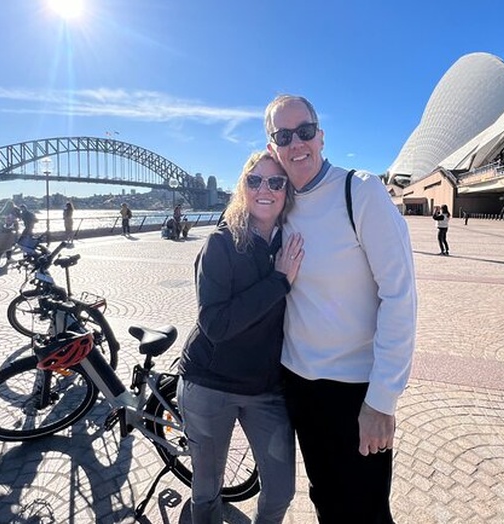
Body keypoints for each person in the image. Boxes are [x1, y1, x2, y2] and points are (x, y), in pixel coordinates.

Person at [264, 94, 417, 523]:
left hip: (354, 391)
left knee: (366, 510)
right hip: (298, 385)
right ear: (273, 148)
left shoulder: (360, 192)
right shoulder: (280, 202)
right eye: (284, 136)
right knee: (326, 500)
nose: (297, 144)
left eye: (305, 132)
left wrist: (382, 401)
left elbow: (399, 296)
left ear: (321, 136)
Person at [177, 150, 303, 524]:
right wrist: (277, 282)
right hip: (210, 385)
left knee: (281, 489)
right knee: (207, 486)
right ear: (243, 188)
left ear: (287, 191)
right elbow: (215, 324)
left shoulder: (292, 242)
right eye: (255, 180)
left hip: (267, 389)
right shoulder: (221, 243)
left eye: (276, 181)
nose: (265, 189)